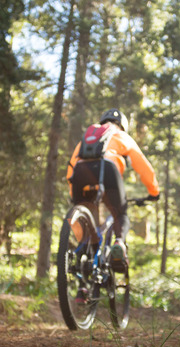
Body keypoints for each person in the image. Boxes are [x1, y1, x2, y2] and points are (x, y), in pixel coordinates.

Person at [67, 108, 160, 277]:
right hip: (108, 170)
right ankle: (119, 243)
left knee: (89, 229)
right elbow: (142, 164)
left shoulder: (89, 136)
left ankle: (83, 286)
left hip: (81, 172)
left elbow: (72, 164)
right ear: (122, 125)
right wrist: (154, 191)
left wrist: (73, 192)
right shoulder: (120, 134)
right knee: (120, 214)